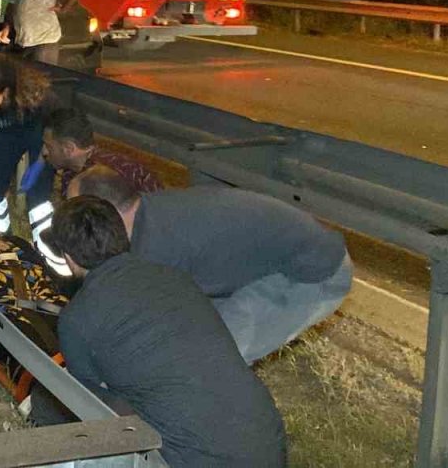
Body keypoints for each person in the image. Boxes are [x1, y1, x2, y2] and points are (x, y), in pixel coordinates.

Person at [47, 196, 286, 467]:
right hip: (269, 444)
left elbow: (90, 407)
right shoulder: (176, 277)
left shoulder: (76, 319)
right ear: (123, 234)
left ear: (69, 258)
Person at [68, 166, 353, 364]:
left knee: (214, 358)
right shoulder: (148, 215)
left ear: (101, 208)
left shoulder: (160, 244)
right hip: (272, 262)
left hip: (310, 273)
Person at [0, 54, 66, 274]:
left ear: (5, 92)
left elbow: (53, 137)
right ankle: (4, 243)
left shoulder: (42, 100)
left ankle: (48, 258)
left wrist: (39, 164)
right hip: (8, 134)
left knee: (38, 199)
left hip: (40, 132)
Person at [42, 107, 164, 195]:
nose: (44, 152)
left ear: (68, 149)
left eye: (49, 146)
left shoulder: (107, 178)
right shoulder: (72, 173)